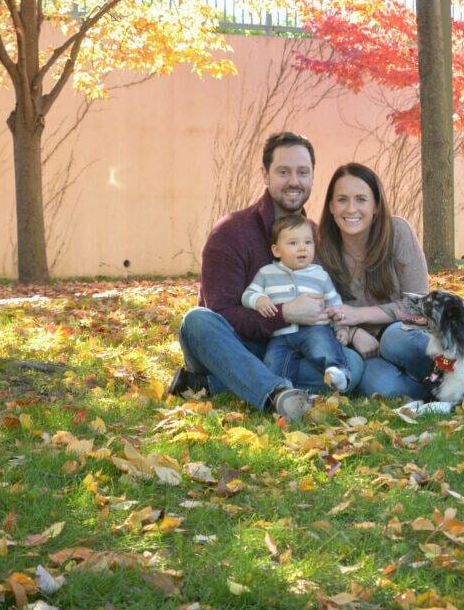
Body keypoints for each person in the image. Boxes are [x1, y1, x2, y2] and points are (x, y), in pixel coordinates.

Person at [165, 132, 364, 421]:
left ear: (312, 177)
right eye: (283, 172)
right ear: (265, 175)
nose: (294, 181)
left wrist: (345, 328)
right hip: (231, 347)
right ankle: (276, 394)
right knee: (196, 320)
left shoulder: (314, 238)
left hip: (289, 350)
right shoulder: (231, 231)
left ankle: (208, 386)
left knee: (353, 366)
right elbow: (221, 313)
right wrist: (285, 314)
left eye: (303, 172)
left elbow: (326, 301)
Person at [318, 163, 433, 399]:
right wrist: (352, 333)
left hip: (407, 335)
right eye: (342, 199)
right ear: (331, 206)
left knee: (394, 339)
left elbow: (420, 307)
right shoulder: (320, 249)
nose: (351, 209)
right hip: (364, 349)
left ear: (376, 206)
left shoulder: (397, 232)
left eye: (361, 199)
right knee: (382, 387)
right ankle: (441, 391)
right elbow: (318, 311)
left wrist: (359, 315)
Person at [241, 215, 352, 392]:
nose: (302, 248)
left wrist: (341, 327)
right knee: (274, 361)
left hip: (313, 328)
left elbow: (335, 303)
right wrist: (259, 300)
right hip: (280, 334)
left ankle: (337, 372)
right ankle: (281, 391)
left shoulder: (320, 275)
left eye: (308, 242)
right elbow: (248, 294)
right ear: (276, 250)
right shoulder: (266, 273)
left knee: (323, 345)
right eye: (293, 243)